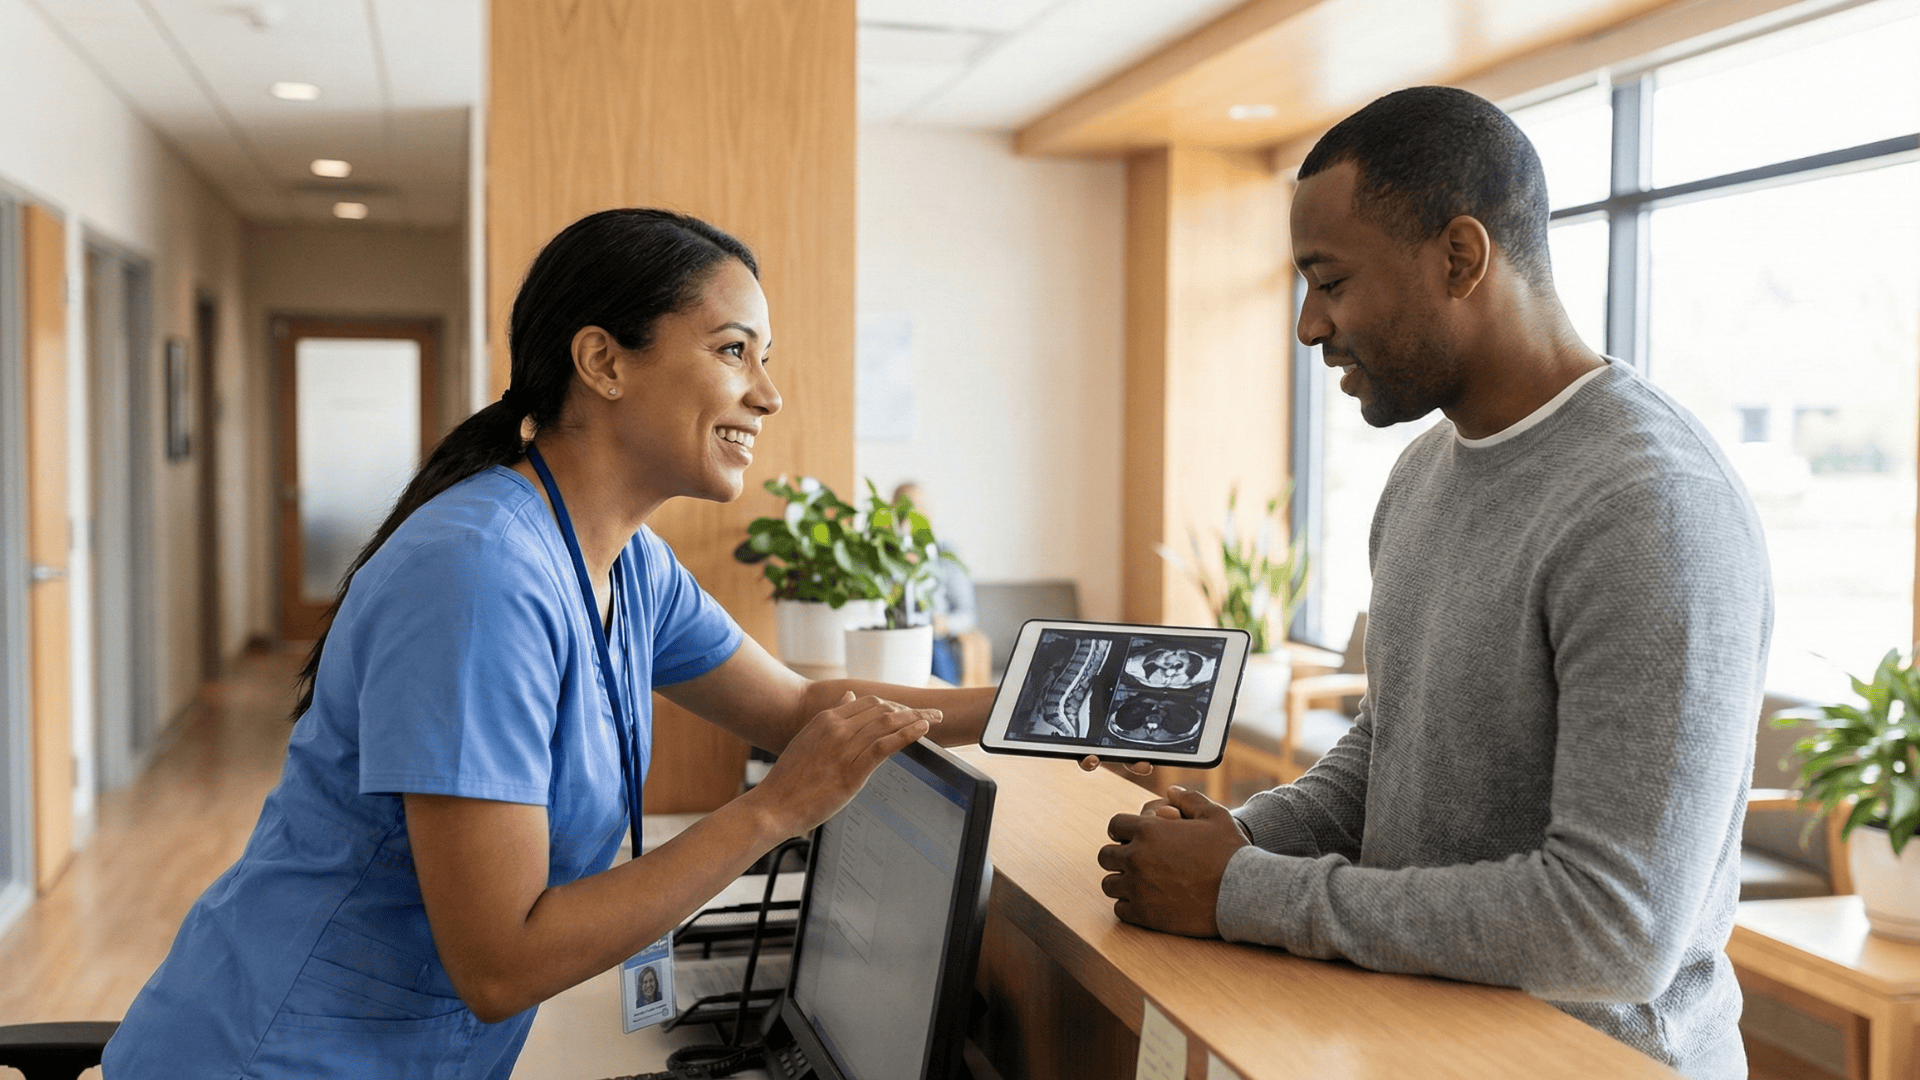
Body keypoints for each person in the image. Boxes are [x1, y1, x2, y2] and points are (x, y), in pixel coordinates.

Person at [103, 208, 994, 1079]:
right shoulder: (479, 575)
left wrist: (1039, 705)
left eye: (765, 357)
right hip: (278, 1054)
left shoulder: (630, 562)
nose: (768, 391)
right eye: (734, 350)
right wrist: (772, 813)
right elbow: (501, 965)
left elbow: (799, 707)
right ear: (603, 361)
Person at [1095, 87, 1771, 1080]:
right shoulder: (1424, 474)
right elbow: (1390, 747)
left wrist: (1244, 890)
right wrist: (1237, 837)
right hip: (1413, 1037)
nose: (1306, 326)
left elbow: (1613, 928)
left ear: (1461, 258)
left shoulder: (1651, 510)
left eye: (1329, 281)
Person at [890, 482, 977, 684]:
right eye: (906, 506)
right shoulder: (882, 553)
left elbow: (969, 613)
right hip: (892, 639)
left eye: (920, 505)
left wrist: (946, 624)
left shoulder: (945, 553)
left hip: (933, 642)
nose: (913, 512)